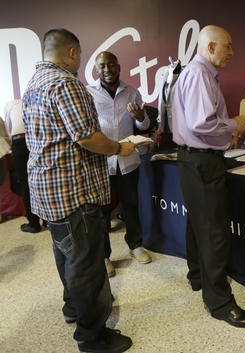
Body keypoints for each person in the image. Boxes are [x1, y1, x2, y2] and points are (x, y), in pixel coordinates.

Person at [22, 28, 134, 353]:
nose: (80, 62)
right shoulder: (65, 83)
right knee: (86, 262)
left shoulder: (34, 84)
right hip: (75, 191)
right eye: (81, 56)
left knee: (66, 253)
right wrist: (118, 148)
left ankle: (73, 307)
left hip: (49, 190)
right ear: (72, 53)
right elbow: (86, 136)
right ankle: (92, 335)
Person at [171, 25, 245, 328]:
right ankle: (220, 303)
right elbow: (200, 123)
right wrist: (233, 124)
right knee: (214, 233)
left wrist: (226, 133)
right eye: (228, 46)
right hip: (202, 162)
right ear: (210, 47)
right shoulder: (199, 74)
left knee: (198, 226)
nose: (232, 52)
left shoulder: (199, 73)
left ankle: (198, 276)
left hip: (194, 160)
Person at [87, 51, 152, 278]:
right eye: (102, 66)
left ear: (119, 66)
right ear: (97, 70)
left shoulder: (132, 92)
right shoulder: (88, 93)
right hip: (101, 163)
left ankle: (135, 245)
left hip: (127, 161)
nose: (107, 69)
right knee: (102, 212)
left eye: (112, 65)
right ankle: (104, 256)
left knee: (130, 205)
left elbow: (143, 126)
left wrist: (142, 116)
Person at [4, 99, 45, 232]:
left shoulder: (9, 105)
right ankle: (47, 220)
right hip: (37, 139)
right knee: (42, 180)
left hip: (19, 140)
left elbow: (10, 130)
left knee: (25, 183)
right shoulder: (32, 102)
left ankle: (33, 224)